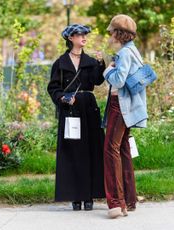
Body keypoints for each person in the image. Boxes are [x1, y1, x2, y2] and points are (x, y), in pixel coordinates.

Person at [47, 24, 106, 211]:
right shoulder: (60, 63)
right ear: (70, 38)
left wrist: (101, 63)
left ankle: (89, 196)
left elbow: (97, 81)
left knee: (91, 151)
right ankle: (75, 196)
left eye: (85, 35)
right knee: (72, 153)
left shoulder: (90, 61)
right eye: (80, 35)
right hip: (70, 110)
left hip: (88, 108)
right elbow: (53, 88)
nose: (84, 38)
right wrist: (63, 98)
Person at [103, 14, 148, 218]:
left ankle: (115, 203)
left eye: (112, 31)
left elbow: (119, 81)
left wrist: (107, 71)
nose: (110, 35)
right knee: (123, 150)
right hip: (129, 106)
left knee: (110, 150)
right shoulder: (134, 51)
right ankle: (129, 200)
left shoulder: (123, 54)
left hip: (119, 105)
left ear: (118, 33)